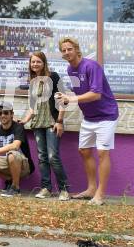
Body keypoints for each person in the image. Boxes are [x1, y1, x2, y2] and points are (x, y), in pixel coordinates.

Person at [58, 37, 118, 205]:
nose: (67, 52)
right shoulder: (70, 70)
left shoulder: (91, 66)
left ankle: (100, 194)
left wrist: (72, 99)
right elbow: (78, 92)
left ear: (77, 49)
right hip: (89, 118)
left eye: (69, 49)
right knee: (84, 151)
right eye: (63, 50)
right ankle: (91, 188)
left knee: (102, 153)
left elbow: (95, 94)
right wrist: (66, 98)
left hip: (106, 115)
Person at [19, 51, 70, 201]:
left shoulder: (53, 77)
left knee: (53, 156)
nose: (35, 64)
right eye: (32, 62)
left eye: (38, 61)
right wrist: (24, 121)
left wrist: (59, 121)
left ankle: (64, 189)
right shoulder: (33, 81)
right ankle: (46, 188)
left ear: (44, 63)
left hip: (52, 123)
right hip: (38, 124)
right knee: (42, 157)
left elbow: (63, 100)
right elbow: (32, 107)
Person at [0, 101, 35, 197]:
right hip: (9, 162)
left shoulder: (18, 127)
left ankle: (15, 188)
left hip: (25, 166)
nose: (2, 115)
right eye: (0, 113)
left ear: (12, 114)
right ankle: (10, 179)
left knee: (12, 154)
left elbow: (15, 146)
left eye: (6, 113)